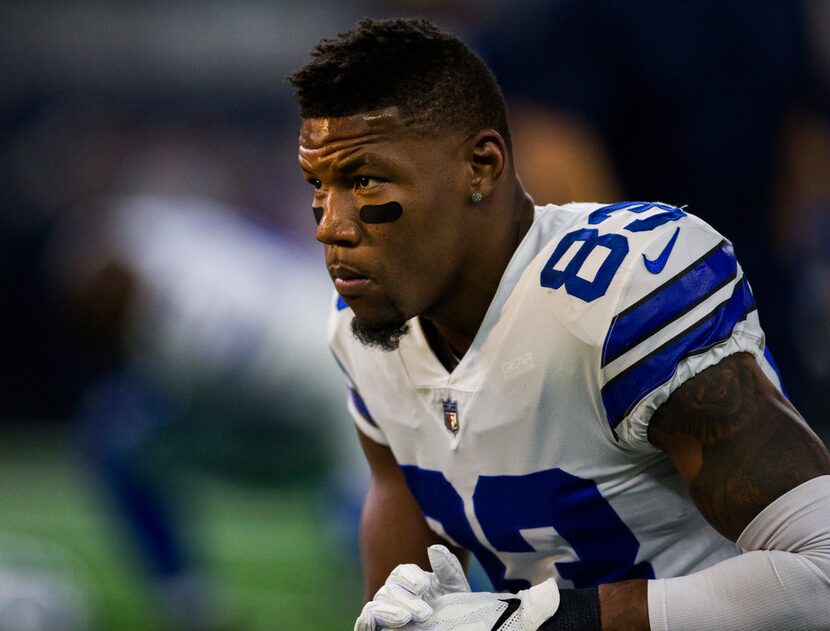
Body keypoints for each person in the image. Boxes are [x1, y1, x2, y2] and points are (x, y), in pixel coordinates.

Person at [288, 17, 830, 630]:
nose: (329, 225)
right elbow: (402, 590)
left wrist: (543, 620)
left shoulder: (622, 295)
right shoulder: (371, 331)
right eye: (318, 185)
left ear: (481, 166)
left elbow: (823, 577)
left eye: (364, 181)